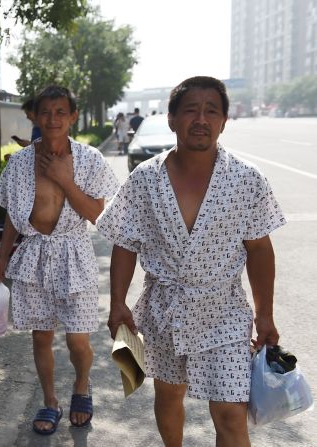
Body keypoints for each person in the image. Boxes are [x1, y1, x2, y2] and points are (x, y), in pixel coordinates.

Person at [96, 76, 285, 447]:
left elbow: (260, 249)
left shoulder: (247, 179)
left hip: (224, 313)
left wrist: (265, 314)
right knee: (168, 395)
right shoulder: (144, 180)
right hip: (164, 311)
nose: (201, 119)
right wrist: (117, 302)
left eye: (211, 111)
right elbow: (125, 243)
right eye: (190, 111)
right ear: (171, 119)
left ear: (224, 121)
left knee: (231, 412)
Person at [0, 85, 119, 435]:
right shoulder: (18, 163)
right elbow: (11, 217)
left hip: (74, 254)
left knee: (79, 340)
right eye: (46, 111)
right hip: (33, 256)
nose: (53, 118)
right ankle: (50, 401)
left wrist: (64, 178)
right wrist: (2, 257)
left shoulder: (90, 160)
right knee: (41, 337)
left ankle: (81, 385)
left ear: (73, 116)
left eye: (61, 112)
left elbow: (97, 215)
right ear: (34, 116)